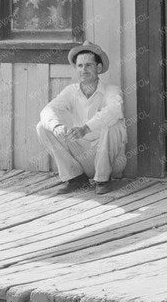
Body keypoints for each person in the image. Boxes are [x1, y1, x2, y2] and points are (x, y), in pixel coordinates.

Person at [36, 42, 127, 194]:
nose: (83, 70)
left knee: (114, 125)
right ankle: (76, 178)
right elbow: (48, 109)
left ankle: (103, 180)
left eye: (88, 65)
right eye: (80, 66)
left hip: (108, 159)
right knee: (42, 126)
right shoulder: (70, 91)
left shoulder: (111, 90)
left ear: (98, 68)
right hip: (82, 156)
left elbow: (114, 110)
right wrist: (56, 126)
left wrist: (86, 128)